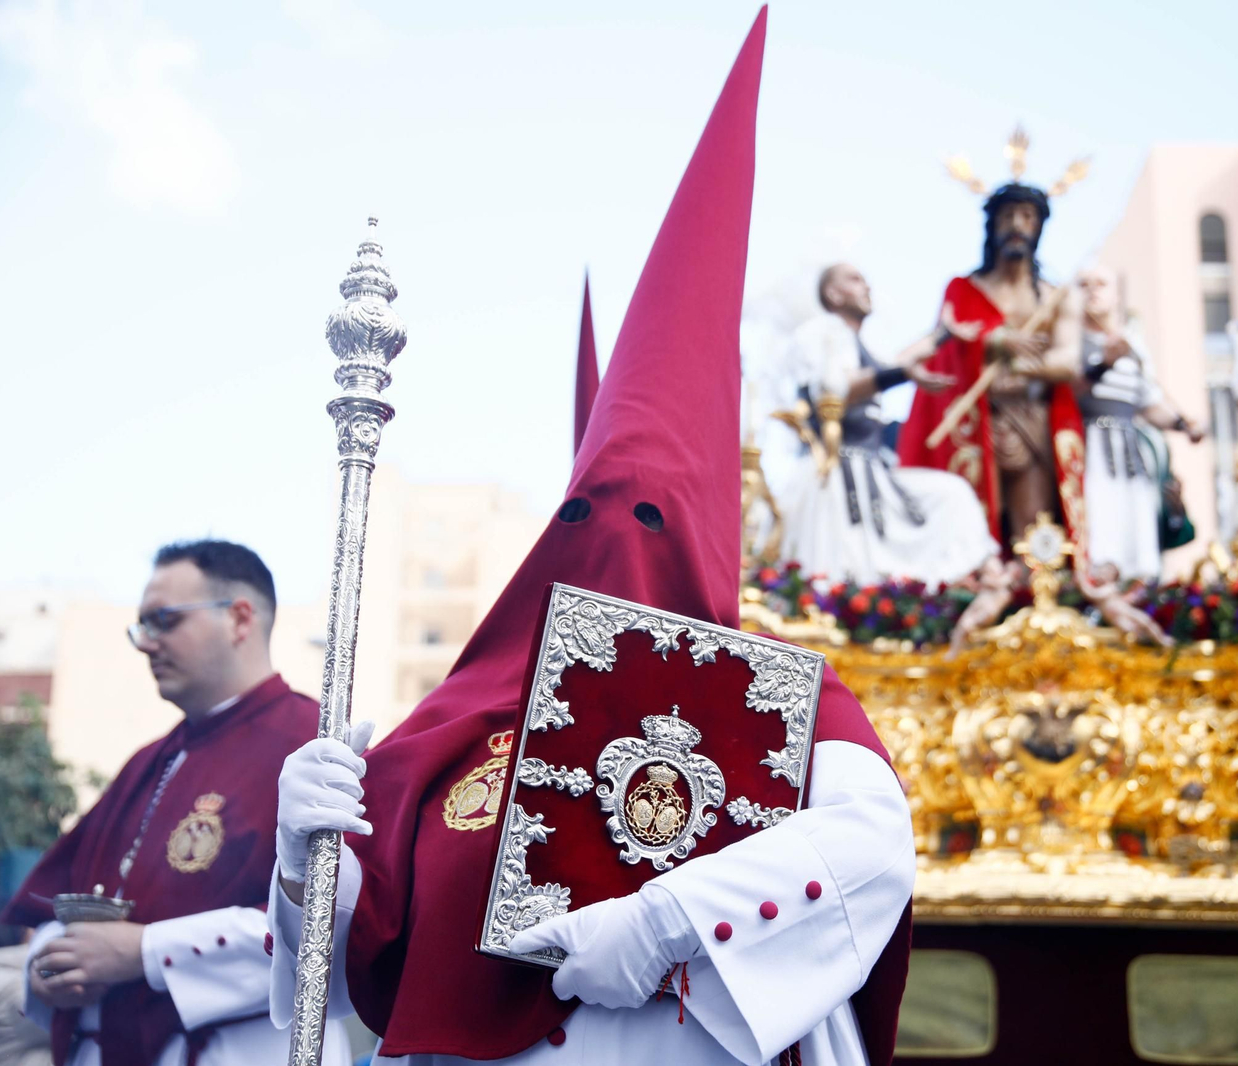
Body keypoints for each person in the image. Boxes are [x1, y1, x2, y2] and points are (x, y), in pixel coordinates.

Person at [268, 12, 915, 1066]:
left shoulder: (779, 696)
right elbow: (331, 975)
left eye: (654, 516)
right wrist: (302, 859)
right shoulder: (455, 727)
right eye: (587, 514)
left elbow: (870, 843)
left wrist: (668, 920)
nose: (618, 537)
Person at [2, 540, 351, 1066]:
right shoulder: (149, 760)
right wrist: (49, 961)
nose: (147, 643)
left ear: (239, 619)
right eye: (141, 626)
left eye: (164, 620)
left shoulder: (312, 746)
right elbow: (53, 904)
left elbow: (332, 927)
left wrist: (145, 952)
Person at [776, 262, 1000, 586]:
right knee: (837, 576)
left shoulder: (856, 345)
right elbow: (833, 390)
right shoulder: (823, 332)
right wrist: (903, 372)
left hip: (871, 473)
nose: (867, 287)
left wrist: (941, 336)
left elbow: (892, 365)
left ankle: (979, 577)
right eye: (855, 280)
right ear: (833, 293)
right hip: (835, 477)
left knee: (951, 495)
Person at [896, 179, 1085, 549]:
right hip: (973, 421)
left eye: (1027, 217)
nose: (1017, 225)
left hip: (1030, 417)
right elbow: (944, 344)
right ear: (993, 225)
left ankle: (1033, 597)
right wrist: (996, 340)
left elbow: (1068, 362)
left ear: (1039, 227)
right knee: (969, 524)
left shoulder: (1056, 296)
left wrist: (1014, 361)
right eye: (1008, 216)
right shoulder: (964, 290)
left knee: (1031, 525)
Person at [1074, 265, 1204, 583]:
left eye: (1101, 283)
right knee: (1100, 530)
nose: (1092, 290)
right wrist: (1103, 364)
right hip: (1090, 449)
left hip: (1130, 453)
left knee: (1137, 536)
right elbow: (1071, 390)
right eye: (1084, 285)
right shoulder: (1073, 342)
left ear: (1117, 294)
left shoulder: (1134, 347)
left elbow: (1149, 402)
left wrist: (1182, 424)